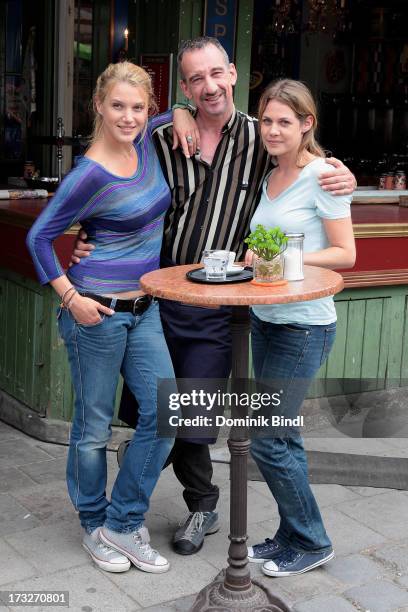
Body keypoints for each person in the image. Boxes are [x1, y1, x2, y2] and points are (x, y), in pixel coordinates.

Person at [72, 36, 357, 557]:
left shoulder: (260, 137)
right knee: (157, 411)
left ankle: (200, 504)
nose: (209, 86)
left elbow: (303, 157)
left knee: (194, 415)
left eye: (216, 74)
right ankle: (147, 497)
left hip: (218, 309)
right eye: (194, 80)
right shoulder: (159, 138)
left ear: (232, 74)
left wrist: (339, 172)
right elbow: (113, 171)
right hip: (154, 300)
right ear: (184, 87)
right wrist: (84, 234)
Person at [26, 62, 187, 575]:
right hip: (95, 313)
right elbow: (38, 238)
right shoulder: (87, 174)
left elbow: (178, 115)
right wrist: (70, 295)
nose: (129, 116)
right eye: (118, 105)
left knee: (166, 416)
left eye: (138, 107)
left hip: (145, 309)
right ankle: (94, 525)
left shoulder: (144, 143)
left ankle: (122, 522)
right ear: (98, 105)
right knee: (93, 427)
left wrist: (178, 112)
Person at [245, 79, 356, 577]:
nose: (272, 130)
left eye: (284, 122)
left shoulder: (325, 176)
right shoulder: (269, 174)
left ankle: (313, 540)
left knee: (265, 437)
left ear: (306, 124)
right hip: (265, 318)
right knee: (282, 437)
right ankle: (291, 534)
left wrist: (278, 255)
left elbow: (345, 254)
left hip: (304, 325)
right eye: (266, 120)